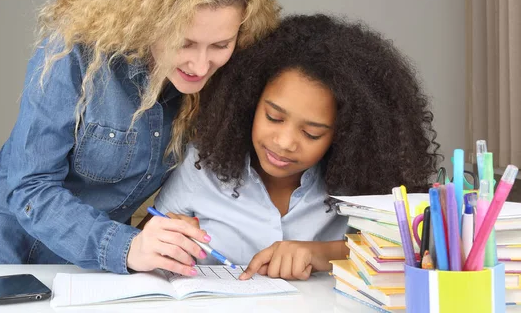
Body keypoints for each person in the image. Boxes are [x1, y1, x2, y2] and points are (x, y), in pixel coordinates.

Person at [0, 0, 280, 276]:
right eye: (185, 42)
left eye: (220, 45)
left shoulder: (219, 81)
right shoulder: (74, 52)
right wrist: (127, 247)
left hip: (88, 270)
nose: (200, 65)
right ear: (151, 17)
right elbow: (31, 187)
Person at [154, 14, 441, 280]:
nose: (284, 142)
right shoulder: (202, 164)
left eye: (311, 133)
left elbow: (416, 249)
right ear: (250, 101)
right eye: (273, 117)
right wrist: (167, 237)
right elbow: (146, 241)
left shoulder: (363, 184)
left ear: (345, 135)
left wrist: (321, 253)